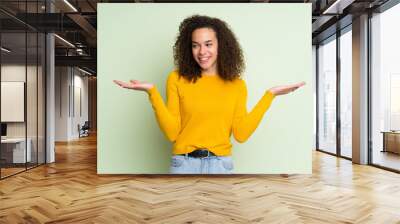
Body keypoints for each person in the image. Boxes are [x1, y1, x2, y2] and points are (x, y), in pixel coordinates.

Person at [114, 15, 305, 174]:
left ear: (221, 46)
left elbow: (241, 134)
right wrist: (152, 93)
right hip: (183, 165)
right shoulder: (176, 79)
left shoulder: (237, 85)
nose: (202, 52)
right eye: (195, 45)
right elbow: (172, 133)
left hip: (221, 166)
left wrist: (269, 95)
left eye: (208, 44)